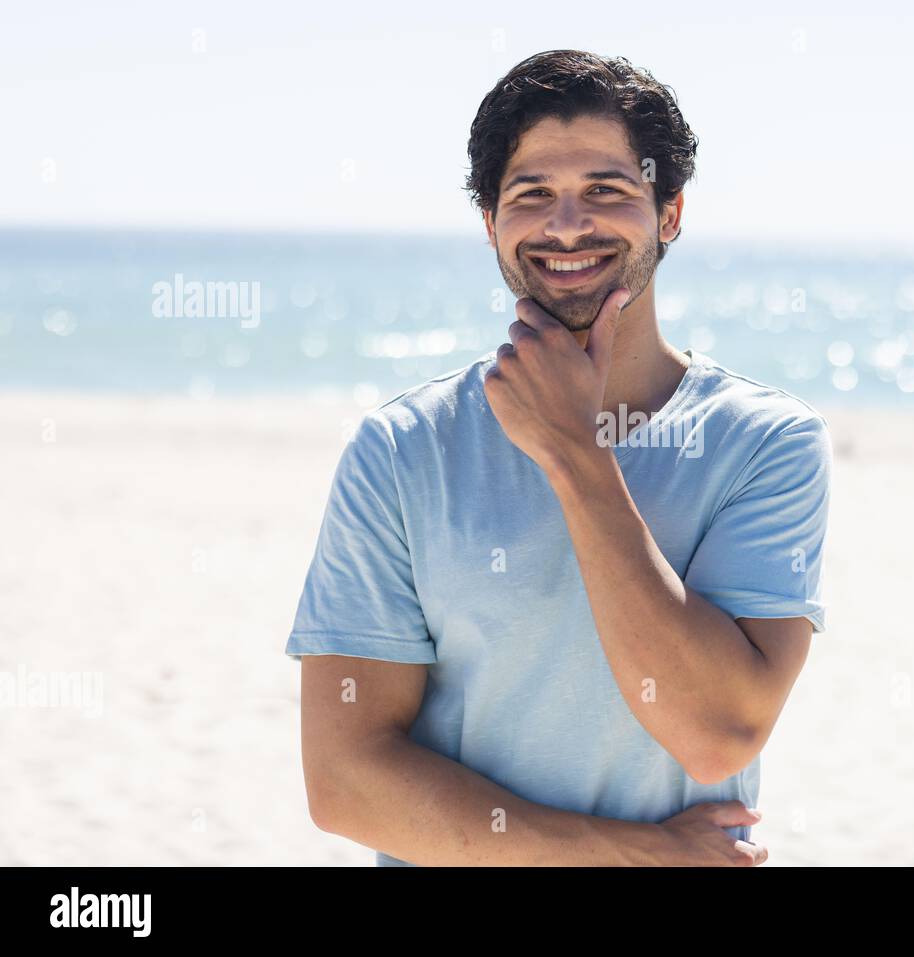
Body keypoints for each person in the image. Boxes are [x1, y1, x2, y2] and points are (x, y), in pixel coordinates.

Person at [286, 49, 832, 866]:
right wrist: (629, 853)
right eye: (531, 195)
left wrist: (575, 451)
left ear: (671, 211)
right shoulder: (402, 449)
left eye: (606, 191)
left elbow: (717, 732)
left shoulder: (766, 444)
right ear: (490, 223)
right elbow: (346, 781)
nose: (567, 225)